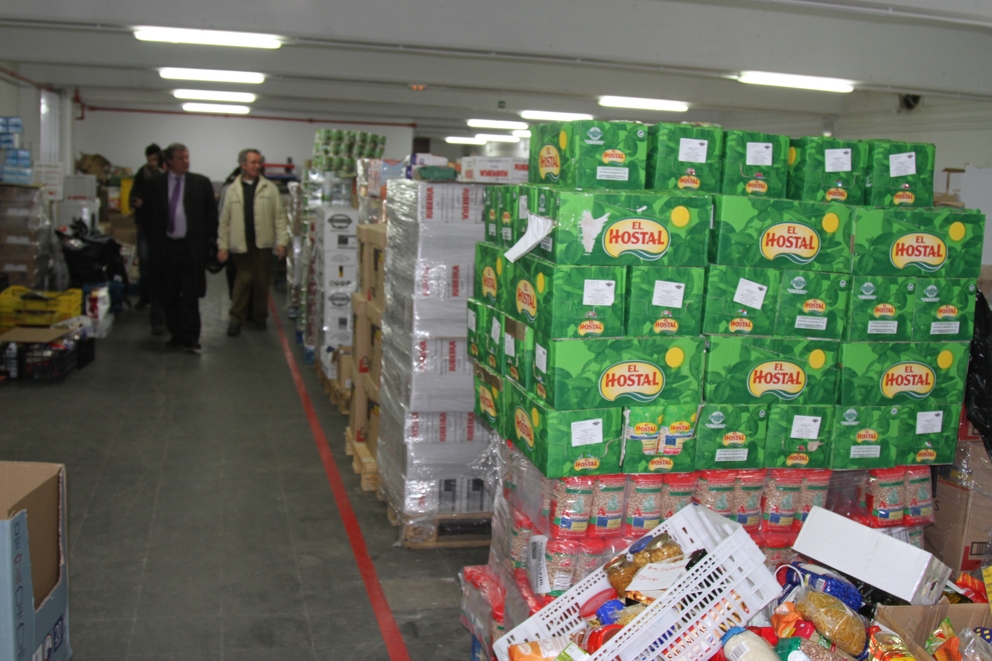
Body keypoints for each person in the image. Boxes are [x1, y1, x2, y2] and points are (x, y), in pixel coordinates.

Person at [145, 143, 218, 353]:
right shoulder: (154, 184)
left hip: (190, 248)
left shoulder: (200, 183)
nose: (185, 162)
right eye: (180, 158)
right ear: (168, 161)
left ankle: (191, 337)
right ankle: (175, 335)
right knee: (169, 293)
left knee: (190, 293)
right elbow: (146, 215)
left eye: (187, 157)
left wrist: (204, 239)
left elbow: (211, 214)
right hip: (166, 248)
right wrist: (154, 242)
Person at [217, 148, 289, 336]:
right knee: (243, 280)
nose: (257, 166)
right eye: (253, 162)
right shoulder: (232, 190)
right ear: (243, 165)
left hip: (262, 244)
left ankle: (259, 317)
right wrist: (222, 246)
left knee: (262, 281)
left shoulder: (270, 189)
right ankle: (235, 319)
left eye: (259, 162)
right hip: (240, 244)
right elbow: (224, 221)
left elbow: (280, 218)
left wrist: (282, 242)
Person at [130, 143, 166, 334]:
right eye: (149, 159)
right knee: (144, 261)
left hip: (160, 228)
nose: (152, 163)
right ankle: (145, 296)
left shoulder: (164, 176)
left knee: (159, 267)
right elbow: (132, 195)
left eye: (155, 159)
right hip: (144, 225)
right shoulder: (141, 175)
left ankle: (157, 305)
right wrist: (136, 202)